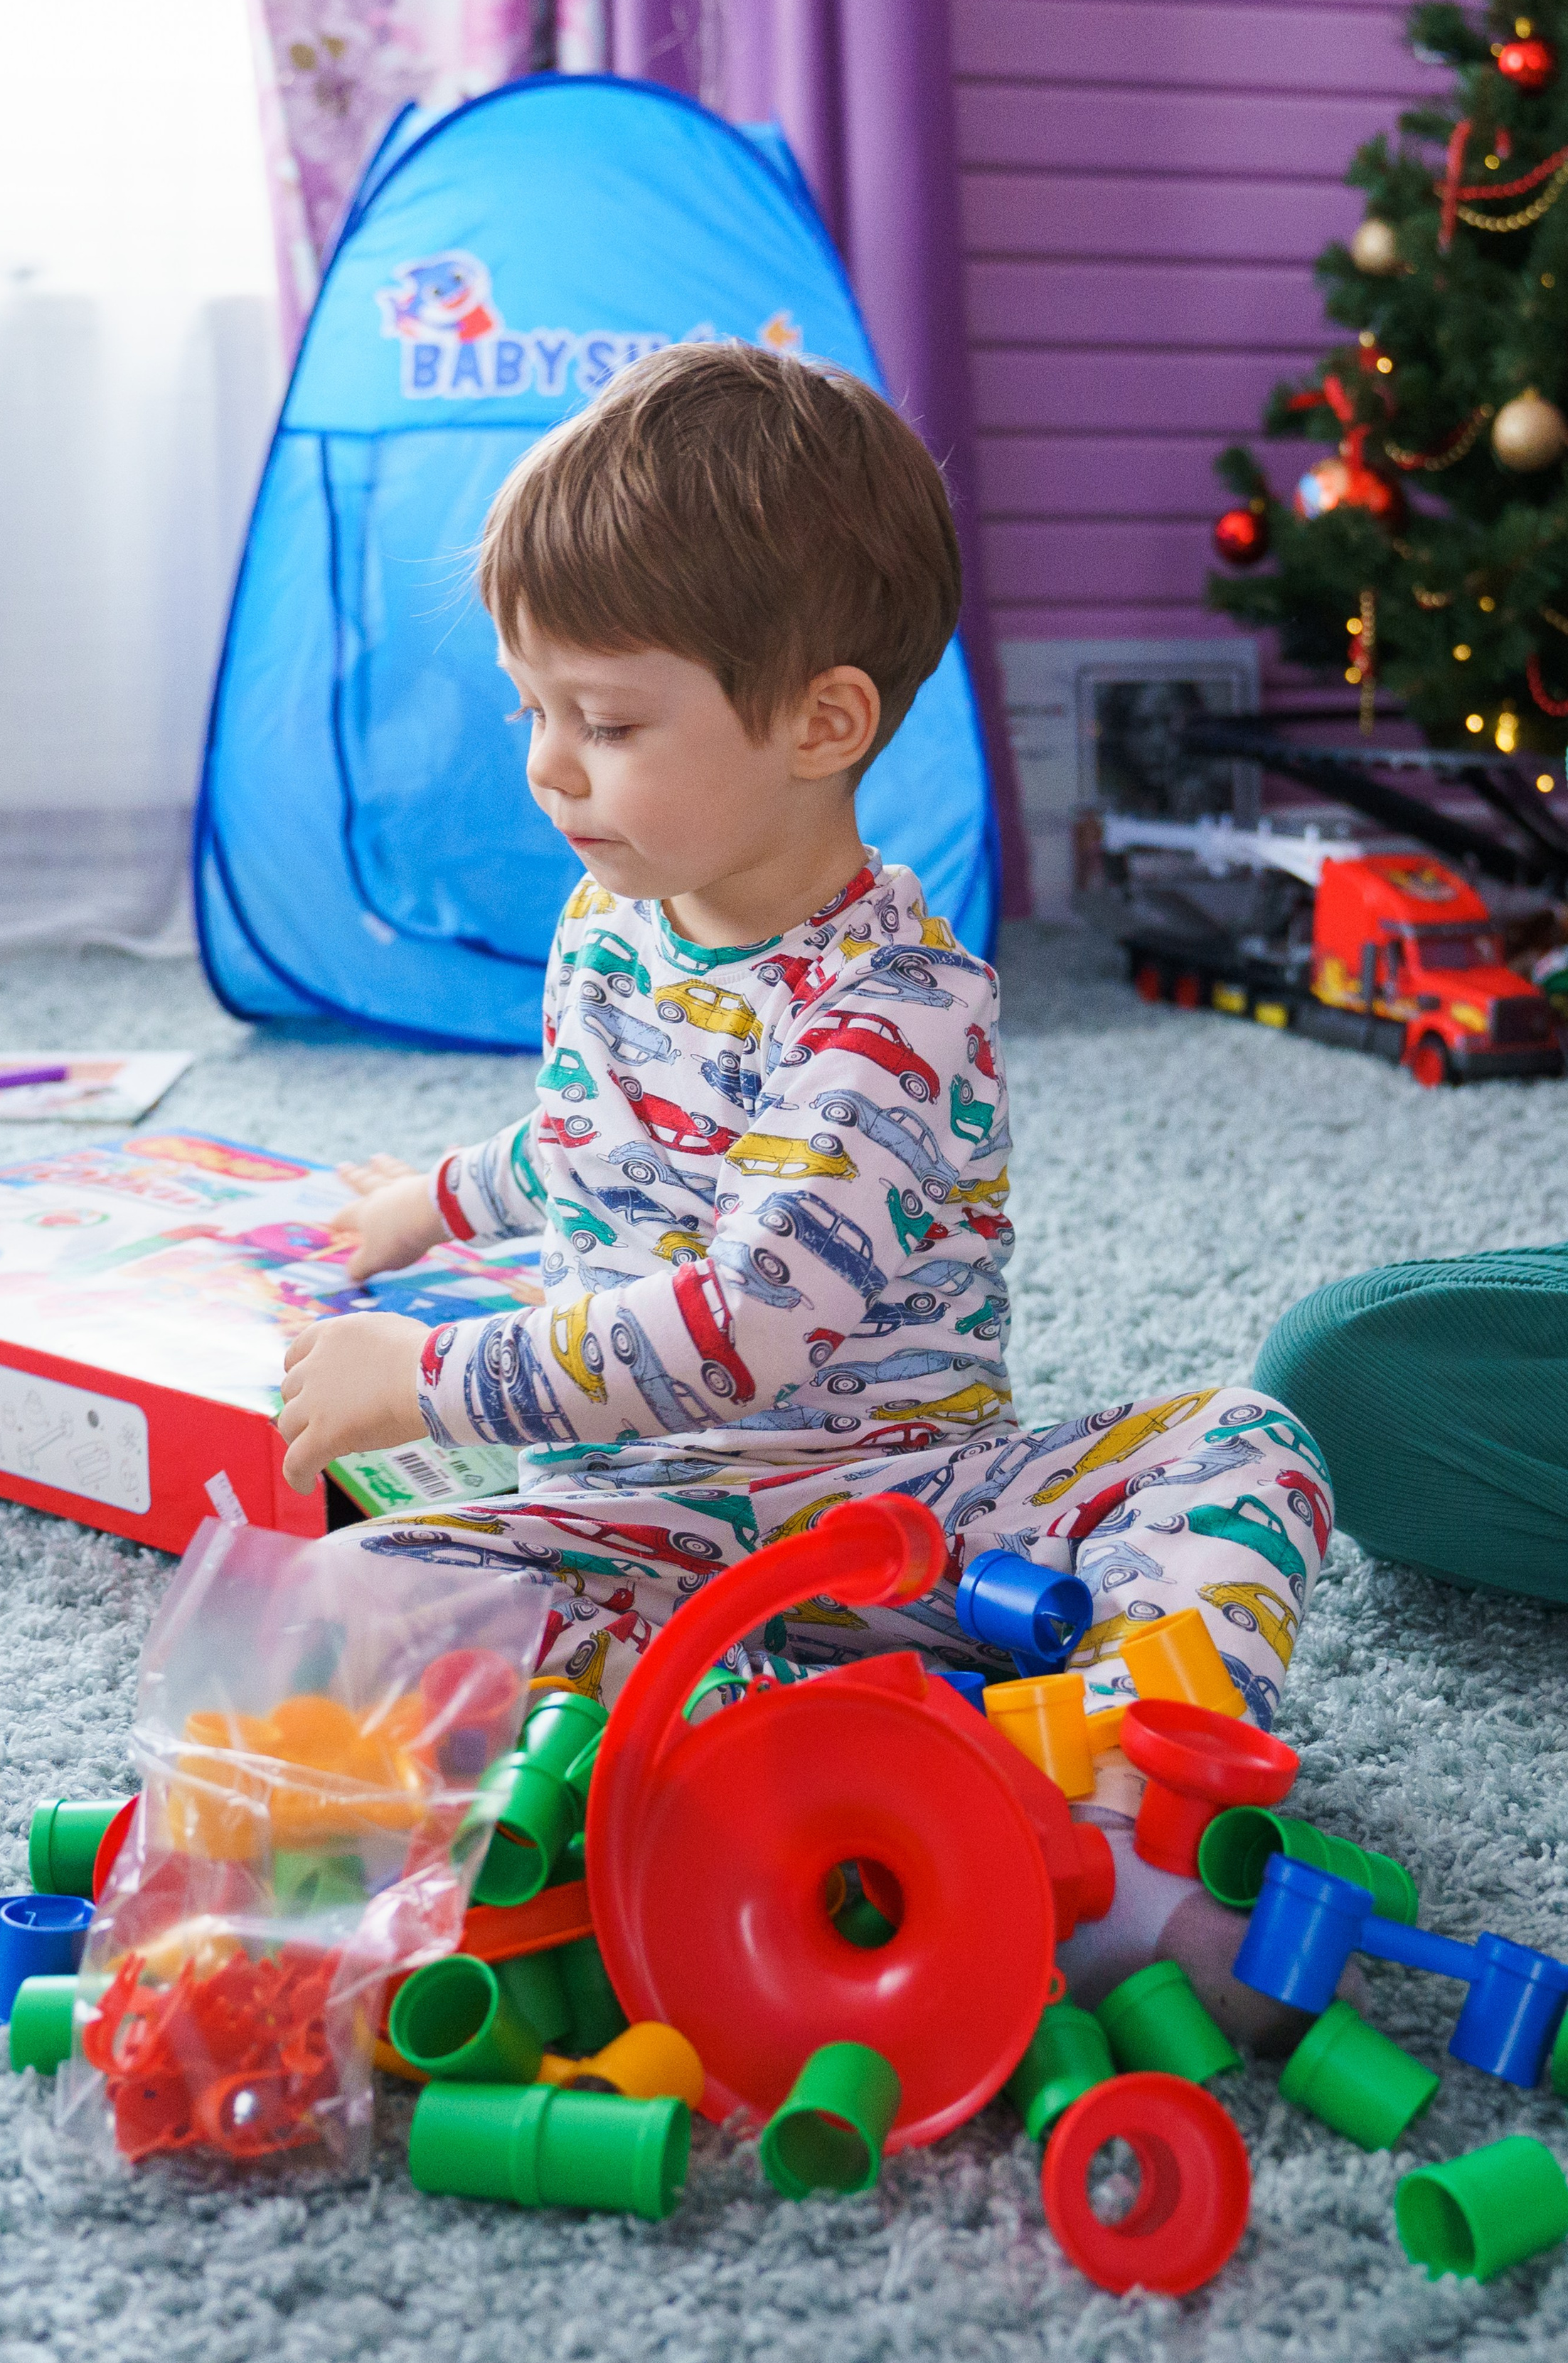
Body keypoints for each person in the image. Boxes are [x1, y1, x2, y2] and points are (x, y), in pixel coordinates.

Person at [274, 341, 1328, 1778]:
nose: (548, 765)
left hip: (909, 1514)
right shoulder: (612, 918)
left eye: (607, 722)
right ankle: (781, 1742)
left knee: (1240, 1443)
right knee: (352, 1595)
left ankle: (1131, 1754)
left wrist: (431, 1376)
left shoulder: (894, 1007)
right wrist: (440, 1203)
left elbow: (742, 1327)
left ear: (818, 723)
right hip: (643, 1524)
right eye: (534, 708)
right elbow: (603, 1139)